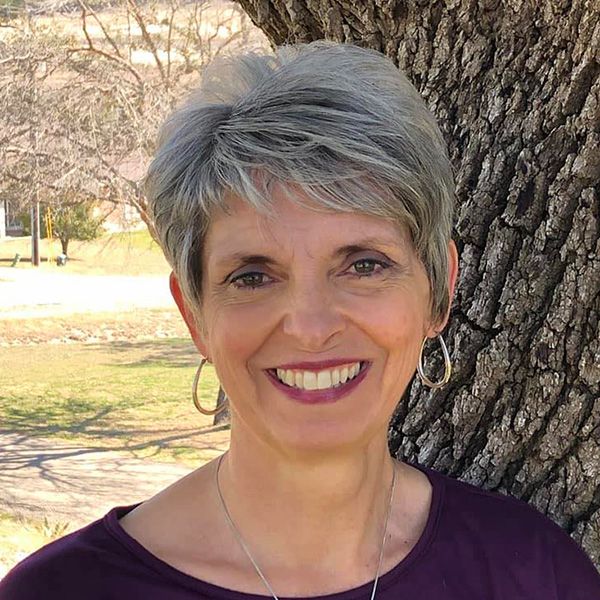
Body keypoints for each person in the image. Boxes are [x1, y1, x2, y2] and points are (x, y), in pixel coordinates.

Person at [1, 41, 599, 600]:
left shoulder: (536, 576)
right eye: (252, 277)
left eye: (364, 265)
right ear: (194, 315)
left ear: (438, 291)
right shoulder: (61, 591)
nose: (311, 328)